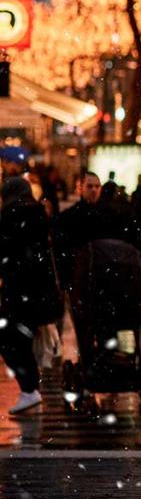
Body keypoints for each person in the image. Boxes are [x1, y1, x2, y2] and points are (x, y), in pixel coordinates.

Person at [0, 177, 61, 415]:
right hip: (40, 292)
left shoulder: (9, 216)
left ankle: (29, 390)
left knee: (9, 339)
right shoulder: (39, 215)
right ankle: (30, 389)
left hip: (19, 290)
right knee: (22, 339)